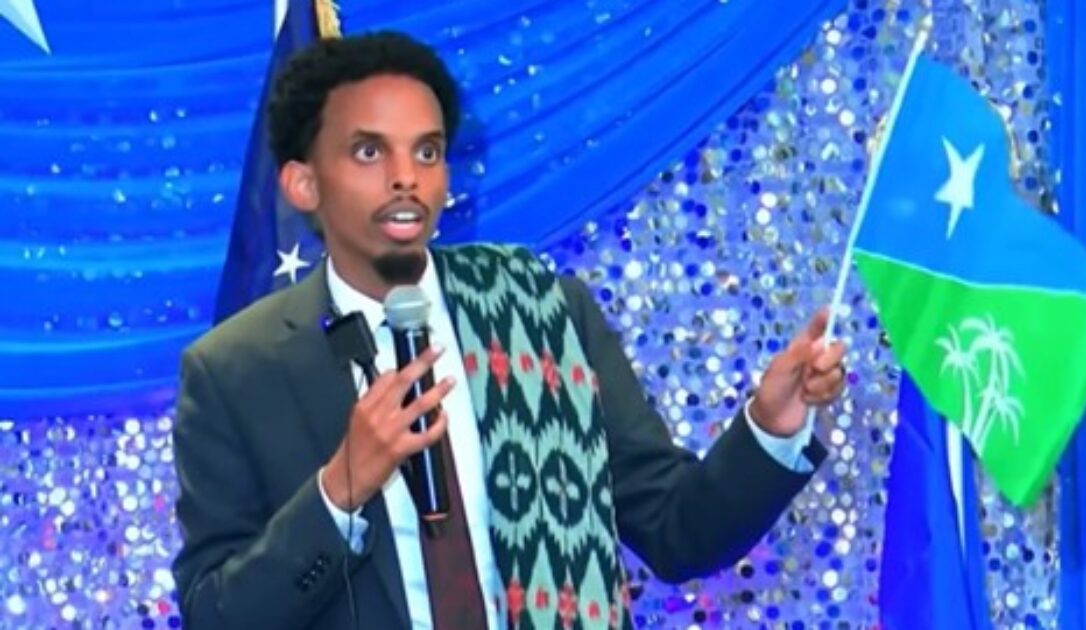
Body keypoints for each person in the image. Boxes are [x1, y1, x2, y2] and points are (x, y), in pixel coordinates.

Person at [171, 31, 847, 630]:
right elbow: (215, 615)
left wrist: (770, 425)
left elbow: (679, 533)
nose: (406, 178)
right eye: (370, 151)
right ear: (303, 184)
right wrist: (340, 490)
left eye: (428, 151)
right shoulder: (234, 371)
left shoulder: (543, 314)